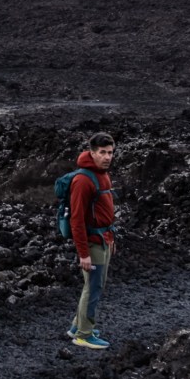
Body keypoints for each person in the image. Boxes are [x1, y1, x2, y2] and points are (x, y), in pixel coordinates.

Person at [67, 132, 117, 349]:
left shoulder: (102, 175)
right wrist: (83, 253)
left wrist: (111, 238)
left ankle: (77, 326)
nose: (107, 157)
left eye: (110, 153)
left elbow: (104, 210)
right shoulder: (82, 180)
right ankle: (84, 335)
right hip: (92, 242)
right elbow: (76, 220)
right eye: (102, 152)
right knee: (93, 287)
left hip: (104, 238)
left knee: (95, 285)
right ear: (92, 153)